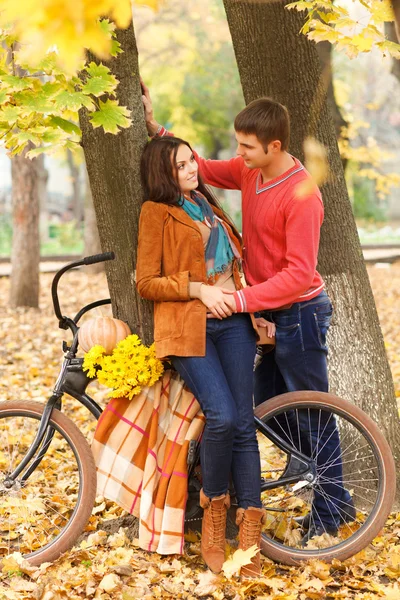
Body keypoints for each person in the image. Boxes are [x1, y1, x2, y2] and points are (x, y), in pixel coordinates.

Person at [142, 83, 355, 545]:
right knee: (261, 409)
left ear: (274, 146)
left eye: (246, 147)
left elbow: (299, 275)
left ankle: (334, 508)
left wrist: (240, 301)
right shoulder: (251, 171)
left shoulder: (302, 195)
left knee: (312, 412)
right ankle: (305, 462)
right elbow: (203, 168)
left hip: (299, 314)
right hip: (266, 313)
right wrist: (154, 126)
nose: (238, 154)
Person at [136, 134, 274, 577]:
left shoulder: (208, 205)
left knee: (243, 425)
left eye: (190, 161)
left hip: (234, 323)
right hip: (190, 330)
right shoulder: (156, 213)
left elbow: (235, 265)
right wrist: (197, 289)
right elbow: (146, 282)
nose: (191, 169)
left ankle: (249, 532)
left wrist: (253, 305)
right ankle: (213, 518)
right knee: (222, 417)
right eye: (180, 166)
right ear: (163, 173)